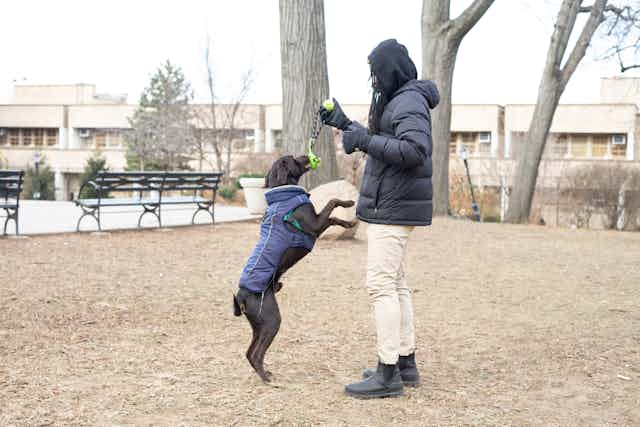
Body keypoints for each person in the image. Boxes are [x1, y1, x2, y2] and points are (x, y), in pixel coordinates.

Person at [320, 39, 440, 399]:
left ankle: (388, 373)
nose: (372, 80)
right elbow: (384, 138)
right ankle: (405, 363)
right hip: (395, 203)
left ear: (391, 71)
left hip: (396, 205)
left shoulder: (408, 101)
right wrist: (344, 124)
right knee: (396, 283)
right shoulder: (402, 99)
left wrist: (367, 141)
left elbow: (415, 151)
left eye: (376, 72)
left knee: (381, 285)